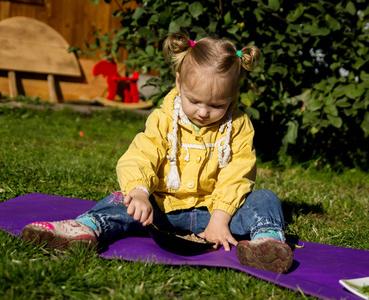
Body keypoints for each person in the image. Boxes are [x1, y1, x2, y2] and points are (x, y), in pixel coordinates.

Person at [21, 32, 293, 273]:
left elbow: (238, 172)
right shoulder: (163, 118)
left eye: (216, 105)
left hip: (217, 213)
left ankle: (266, 242)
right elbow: (143, 154)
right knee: (121, 201)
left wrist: (221, 218)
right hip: (163, 210)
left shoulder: (238, 126)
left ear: (233, 95)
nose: (202, 111)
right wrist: (139, 192)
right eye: (194, 100)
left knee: (264, 198)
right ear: (178, 82)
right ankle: (86, 228)